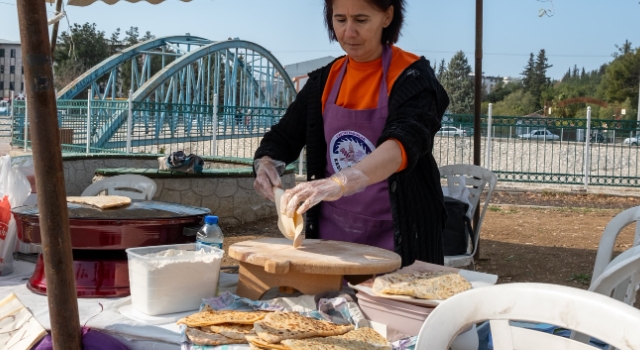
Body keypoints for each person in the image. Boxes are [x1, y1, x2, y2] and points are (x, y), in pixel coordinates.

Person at [253, 0, 449, 266]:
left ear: (387, 16)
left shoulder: (412, 76)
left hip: (400, 236)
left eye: (361, 20)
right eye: (340, 20)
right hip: (332, 237)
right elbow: (284, 136)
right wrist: (266, 163)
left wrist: (340, 182)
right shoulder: (324, 79)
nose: (348, 32)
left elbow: (404, 141)